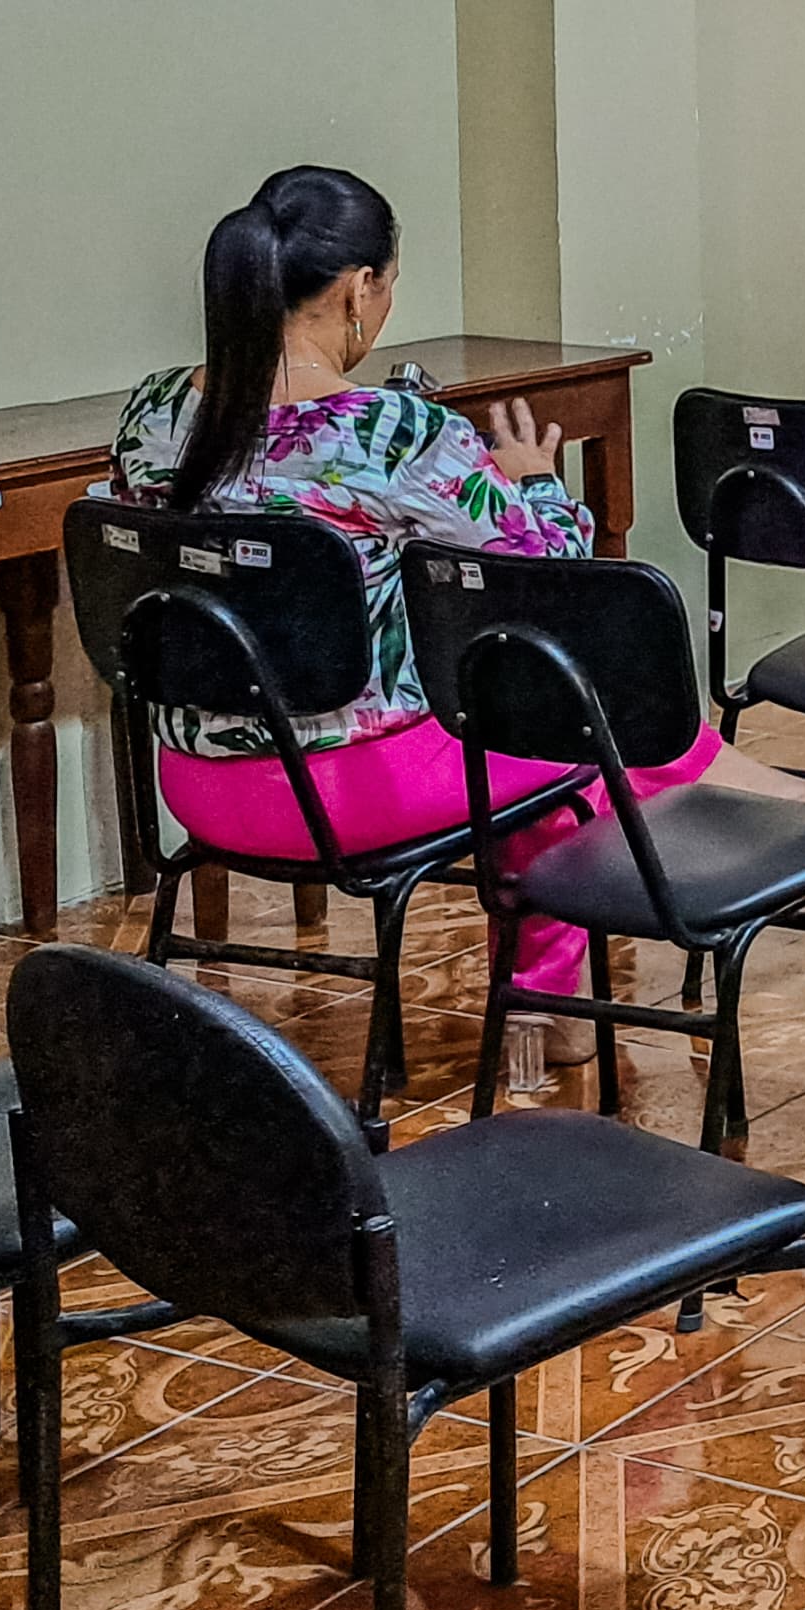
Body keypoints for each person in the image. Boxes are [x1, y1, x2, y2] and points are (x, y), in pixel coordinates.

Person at [107, 166, 714, 1087]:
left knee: (515, 719)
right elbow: (549, 574)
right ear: (359, 289)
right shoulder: (393, 431)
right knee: (555, 720)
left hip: (193, 782)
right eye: (389, 286)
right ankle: (549, 1011)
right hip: (343, 790)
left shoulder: (152, 411)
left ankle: (738, 785)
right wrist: (534, 480)